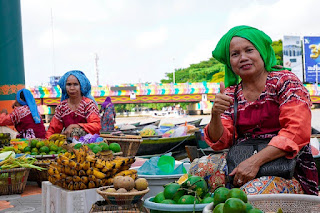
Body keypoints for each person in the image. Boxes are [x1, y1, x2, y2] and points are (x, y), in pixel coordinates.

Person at [204, 25, 318, 195]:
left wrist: (254, 162)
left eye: (249, 50)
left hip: (289, 169)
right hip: (243, 160)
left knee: (251, 194)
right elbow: (221, 141)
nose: (243, 58)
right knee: (201, 170)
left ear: (261, 52)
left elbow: (296, 131)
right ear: (230, 62)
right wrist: (215, 115)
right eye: (235, 54)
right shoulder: (230, 93)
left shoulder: (285, 82)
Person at [46, 70, 101, 138]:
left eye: (75, 84)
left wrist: (74, 126)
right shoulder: (62, 107)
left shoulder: (88, 104)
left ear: (81, 86)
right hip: (69, 145)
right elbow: (52, 130)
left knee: (75, 131)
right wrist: (47, 142)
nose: (72, 88)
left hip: (91, 143)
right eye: (69, 84)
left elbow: (96, 126)